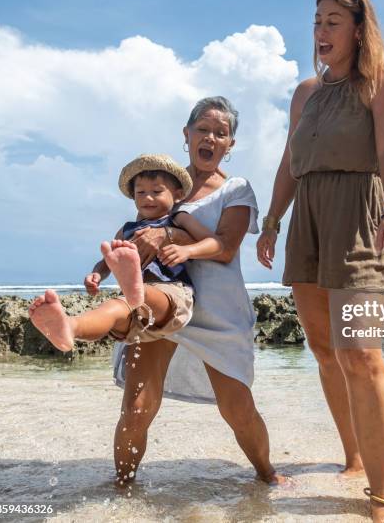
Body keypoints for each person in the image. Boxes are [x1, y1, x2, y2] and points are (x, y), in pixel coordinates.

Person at [256, 0, 384, 522]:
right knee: (323, 350)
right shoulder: (305, 92)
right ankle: (354, 457)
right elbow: (288, 162)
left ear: (358, 29)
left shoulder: (382, 82)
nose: (321, 32)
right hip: (310, 219)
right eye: (317, 21)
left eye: (332, 22)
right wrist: (272, 222)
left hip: (362, 216)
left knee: (362, 355)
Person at [111, 96, 288, 487]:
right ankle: (121, 491)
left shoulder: (235, 190)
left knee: (238, 409)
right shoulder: (162, 187)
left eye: (220, 133)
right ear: (186, 135)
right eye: (203, 130)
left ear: (230, 145)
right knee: (137, 408)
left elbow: (225, 248)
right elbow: (133, 239)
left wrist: (171, 234)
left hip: (218, 313)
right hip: (163, 304)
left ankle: (267, 474)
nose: (210, 138)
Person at [28, 154, 220, 353]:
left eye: (157, 191)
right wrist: (97, 275)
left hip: (172, 292)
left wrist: (187, 250)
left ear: (177, 194)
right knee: (109, 311)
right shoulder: (128, 230)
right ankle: (70, 327)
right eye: (140, 192)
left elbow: (215, 244)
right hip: (134, 304)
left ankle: (137, 289)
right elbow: (106, 262)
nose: (147, 197)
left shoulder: (178, 219)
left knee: (138, 294)